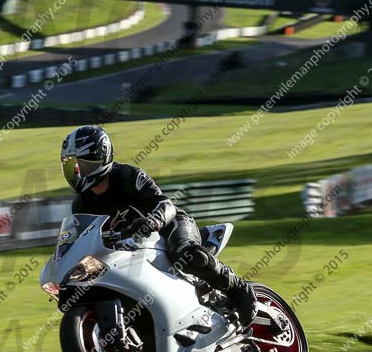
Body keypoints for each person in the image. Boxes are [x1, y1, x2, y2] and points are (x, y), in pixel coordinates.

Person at [60, 125, 257, 327]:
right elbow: (84, 237)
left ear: (101, 158)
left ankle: (238, 288)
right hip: (129, 249)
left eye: (82, 165)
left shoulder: (127, 175)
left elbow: (166, 204)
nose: (76, 172)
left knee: (184, 254)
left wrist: (152, 221)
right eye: (71, 166)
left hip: (168, 226)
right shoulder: (81, 203)